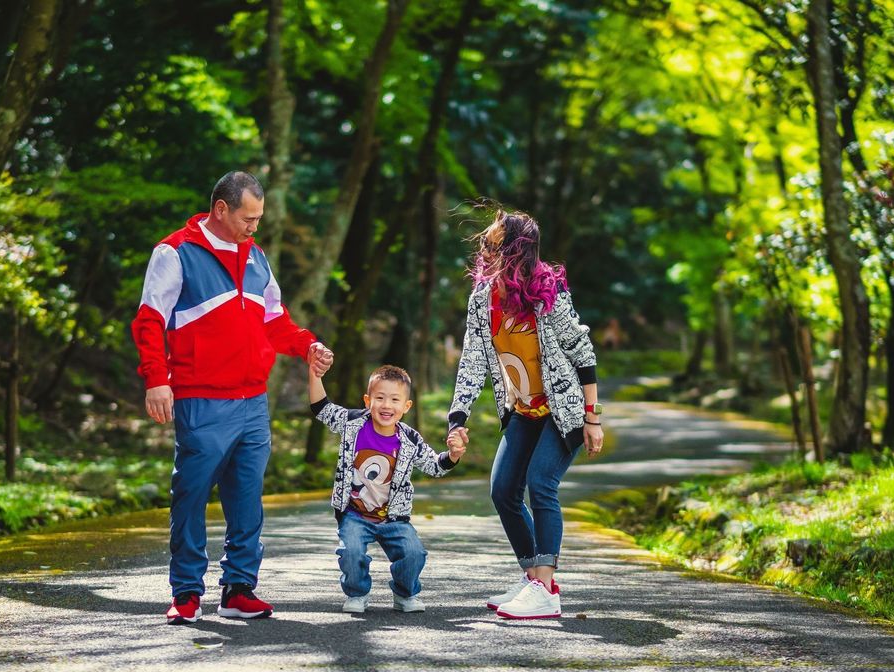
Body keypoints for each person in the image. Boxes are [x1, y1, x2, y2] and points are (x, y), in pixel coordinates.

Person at [131, 170, 333, 624]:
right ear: (220, 209)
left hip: (253, 401)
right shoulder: (176, 252)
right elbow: (148, 321)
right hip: (201, 398)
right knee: (192, 494)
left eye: (259, 218)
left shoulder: (257, 257)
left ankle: (239, 589)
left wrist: (307, 345)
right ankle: (186, 593)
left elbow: (275, 322)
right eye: (248, 217)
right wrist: (155, 378)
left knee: (247, 498)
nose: (254, 227)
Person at [447, 208, 603, 620]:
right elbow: (472, 360)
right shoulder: (482, 300)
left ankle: (546, 589)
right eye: (484, 242)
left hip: (562, 410)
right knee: (502, 490)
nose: (484, 248)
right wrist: (457, 418)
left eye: (493, 242)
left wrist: (593, 417)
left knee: (540, 482)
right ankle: (533, 576)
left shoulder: (547, 294)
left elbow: (582, 352)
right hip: (522, 410)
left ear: (515, 250)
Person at [309, 362, 467, 613]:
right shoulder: (353, 424)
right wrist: (315, 375)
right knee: (351, 552)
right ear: (367, 400)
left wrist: (453, 454)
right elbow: (322, 408)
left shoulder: (410, 439)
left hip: (393, 519)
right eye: (380, 398)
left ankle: (405, 593)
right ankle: (357, 593)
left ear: (406, 407)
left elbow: (435, 466)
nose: (386, 405)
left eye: (395, 400)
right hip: (354, 515)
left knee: (414, 553)